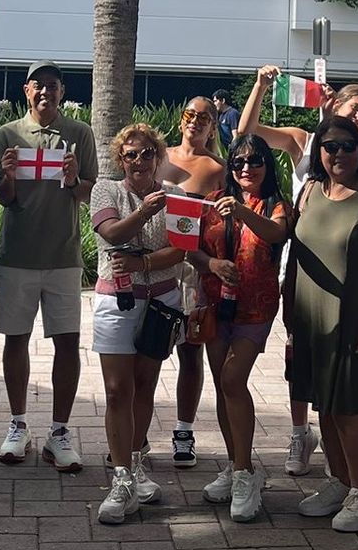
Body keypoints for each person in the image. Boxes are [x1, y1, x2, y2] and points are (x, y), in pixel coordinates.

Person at [238, 68, 358, 476]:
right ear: (336, 104)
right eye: (356, 108)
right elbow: (246, 133)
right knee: (297, 350)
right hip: (299, 261)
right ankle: (301, 433)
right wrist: (262, 87)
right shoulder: (303, 140)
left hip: (343, 270)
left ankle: (343, 457)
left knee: (334, 357)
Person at [284, 115, 358, 533]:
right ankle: (338, 482)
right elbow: (297, 254)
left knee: (349, 409)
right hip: (310, 318)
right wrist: (289, 314)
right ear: (319, 151)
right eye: (330, 146)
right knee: (325, 405)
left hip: (353, 320)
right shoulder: (312, 191)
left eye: (347, 146)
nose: (339, 154)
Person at [0, 61, 98, 473]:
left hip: (63, 256)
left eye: (52, 86)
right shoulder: (9, 134)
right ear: (26, 90)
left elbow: (92, 192)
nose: (45, 93)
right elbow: (1, 197)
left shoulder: (79, 133)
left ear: (62, 92)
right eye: (38, 86)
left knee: (67, 343)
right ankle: (18, 425)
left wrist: (74, 181)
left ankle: (59, 431)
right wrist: (9, 177)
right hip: (16, 255)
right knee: (15, 340)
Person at [90, 124, 187, 525]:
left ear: (158, 156)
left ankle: (134, 463)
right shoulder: (106, 190)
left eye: (147, 153)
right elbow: (110, 233)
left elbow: (182, 249)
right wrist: (144, 212)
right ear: (120, 159)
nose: (140, 161)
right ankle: (120, 478)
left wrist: (144, 261)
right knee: (117, 390)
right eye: (131, 155)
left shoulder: (176, 196)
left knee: (145, 385)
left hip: (162, 300)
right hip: (117, 297)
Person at [195, 133, 291, 520]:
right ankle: (238, 465)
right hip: (216, 303)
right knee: (223, 385)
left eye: (255, 161)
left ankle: (244, 473)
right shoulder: (211, 202)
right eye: (238, 163)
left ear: (267, 165)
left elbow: (277, 233)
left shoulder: (274, 204)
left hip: (256, 307)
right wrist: (212, 264)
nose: (247, 169)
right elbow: (192, 249)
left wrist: (243, 211)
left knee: (234, 380)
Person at [160, 95, 228, 468]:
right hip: (155, 266)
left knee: (191, 350)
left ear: (213, 124)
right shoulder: (159, 156)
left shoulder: (217, 168)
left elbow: (222, 224)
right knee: (147, 351)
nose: (196, 121)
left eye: (205, 116)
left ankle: (184, 430)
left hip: (194, 271)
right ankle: (135, 433)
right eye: (190, 113)